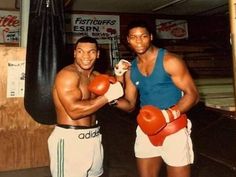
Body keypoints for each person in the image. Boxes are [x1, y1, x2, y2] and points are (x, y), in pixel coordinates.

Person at [113, 20, 199, 177]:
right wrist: (110, 98)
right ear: (128, 40)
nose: (138, 41)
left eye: (143, 36)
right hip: (146, 130)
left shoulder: (170, 61)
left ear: (151, 37)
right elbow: (130, 104)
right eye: (134, 37)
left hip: (174, 128)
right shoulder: (130, 69)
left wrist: (166, 115)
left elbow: (193, 95)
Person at [48, 36, 123, 177]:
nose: (86, 56)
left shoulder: (97, 76)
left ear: (98, 54)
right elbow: (74, 111)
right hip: (70, 140)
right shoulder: (68, 75)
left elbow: (119, 96)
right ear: (75, 53)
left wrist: (120, 74)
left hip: (94, 138)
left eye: (91, 52)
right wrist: (107, 97)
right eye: (81, 51)